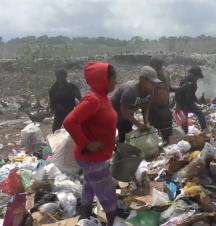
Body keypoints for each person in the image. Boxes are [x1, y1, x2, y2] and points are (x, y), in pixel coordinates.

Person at [63, 62, 118, 225]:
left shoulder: (102, 97)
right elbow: (69, 121)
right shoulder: (92, 99)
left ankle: (84, 217)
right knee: (107, 195)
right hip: (91, 158)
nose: (116, 82)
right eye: (114, 79)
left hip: (96, 156)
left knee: (89, 186)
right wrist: (86, 144)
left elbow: (101, 125)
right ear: (103, 80)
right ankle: (114, 221)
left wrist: (110, 143)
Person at [111, 66, 161, 143]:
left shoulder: (150, 91)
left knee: (128, 131)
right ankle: (120, 148)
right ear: (142, 80)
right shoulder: (130, 91)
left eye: (155, 83)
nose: (154, 85)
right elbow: (124, 110)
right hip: (116, 111)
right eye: (152, 82)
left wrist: (146, 122)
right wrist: (138, 124)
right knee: (123, 133)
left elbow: (146, 108)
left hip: (129, 110)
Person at [174, 66, 207, 134]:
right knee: (184, 121)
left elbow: (191, 92)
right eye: (196, 76)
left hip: (190, 102)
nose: (197, 78)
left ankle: (204, 131)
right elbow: (177, 93)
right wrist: (177, 105)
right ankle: (185, 135)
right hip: (183, 103)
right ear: (193, 74)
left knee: (200, 113)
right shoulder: (186, 81)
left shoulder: (193, 81)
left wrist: (197, 101)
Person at [149, 56, 173, 143]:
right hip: (153, 107)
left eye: (160, 65)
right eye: (157, 65)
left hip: (165, 107)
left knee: (167, 132)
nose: (158, 67)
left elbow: (169, 88)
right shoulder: (149, 75)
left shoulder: (165, 73)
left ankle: (167, 150)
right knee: (155, 133)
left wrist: (181, 88)